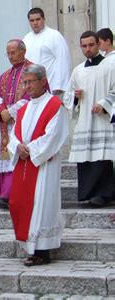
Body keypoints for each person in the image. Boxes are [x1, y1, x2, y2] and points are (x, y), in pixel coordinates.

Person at [8, 64, 68, 266]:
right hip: (24, 165)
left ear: (43, 81)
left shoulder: (54, 105)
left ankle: (42, 251)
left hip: (43, 166)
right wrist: (18, 147)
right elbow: (13, 134)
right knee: (18, 203)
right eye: (24, 82)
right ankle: (29, 245)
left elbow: (54, 136)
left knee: (41, 205)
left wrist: (30, 150)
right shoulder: (24, 108)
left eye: (30, 81)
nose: (26, 86)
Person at [64, 31, 115, 207]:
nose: (88, 49)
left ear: (98, 44)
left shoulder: (110, 66)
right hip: (85, 120)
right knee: (86, 158)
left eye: (91, 45)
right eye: (84, 46)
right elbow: (67, 97)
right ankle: (87, 194)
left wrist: (104, 103)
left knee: (102, 158)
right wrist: (75, 96)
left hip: (102, 120)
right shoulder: (78, 70)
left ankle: (104, 194)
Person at [0, 39, 33, 206]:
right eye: (8, 53)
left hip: (23, 122)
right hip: (5, 123)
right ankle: (5, 192)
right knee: (6, 156)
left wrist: (12, 111)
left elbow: (34, 97)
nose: (10, 56)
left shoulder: (33, 72)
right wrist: (2, 111)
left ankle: (15, 194)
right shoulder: (5, 75)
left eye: (13, 52)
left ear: (23, 51)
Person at [23, 7, 70, 97]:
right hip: (31, 87)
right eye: (32, 20)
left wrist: (59, 86)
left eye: (38, 19)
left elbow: (63, 59)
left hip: (51, 85)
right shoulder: (26, 38)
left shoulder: (54, 35)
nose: (35, 23)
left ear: (44, 19)